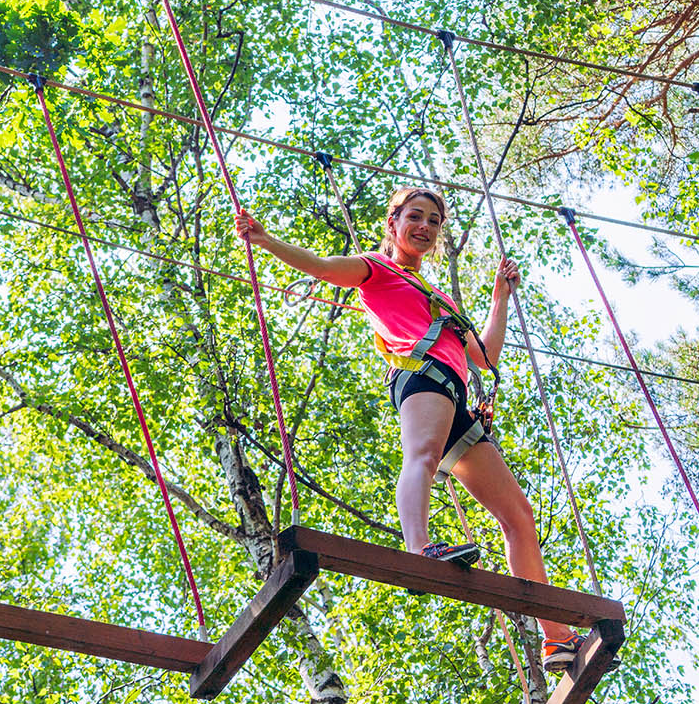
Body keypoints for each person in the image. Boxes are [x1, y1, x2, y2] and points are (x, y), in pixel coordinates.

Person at [234, 188, 589, 674]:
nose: (425, 226)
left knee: (519, 515)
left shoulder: (439, 297)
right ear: (393, 222)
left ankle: (558, 639)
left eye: (434, 221)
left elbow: (484, 358)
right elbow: (320, 266)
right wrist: (265, 239)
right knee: (421, 454)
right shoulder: (374, 269)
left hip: (457, 397)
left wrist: (499, 299)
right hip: (420, 378)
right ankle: (418, 547)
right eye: (415, 216)